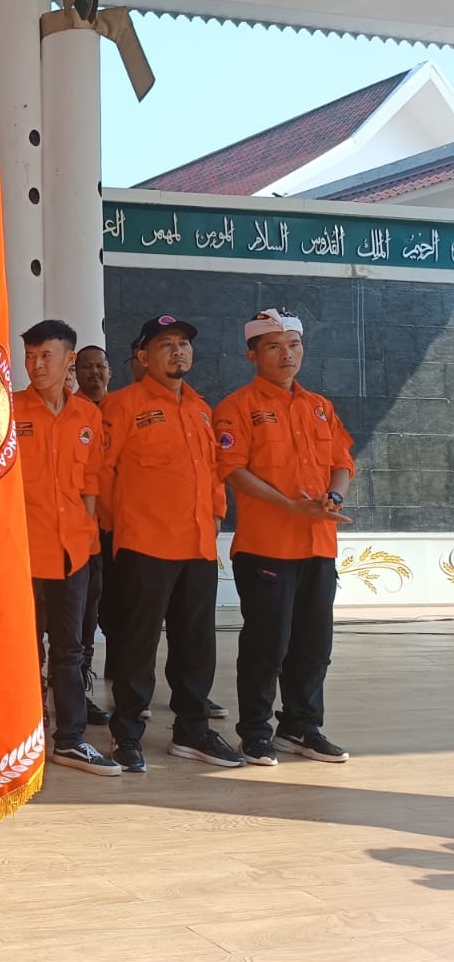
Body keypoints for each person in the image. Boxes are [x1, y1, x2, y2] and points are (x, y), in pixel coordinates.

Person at [213, 309, 355, 766]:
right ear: (252, 354)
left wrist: (334, 495)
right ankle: (255, 731)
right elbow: (232, 470)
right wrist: (290, 505)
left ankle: (301, 726)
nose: (286, 353)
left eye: (293, 344)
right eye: (273, 346)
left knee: (314, 645)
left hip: (318, 543)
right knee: (266, 645)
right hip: (266, 546)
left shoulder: (319, 405)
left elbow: (342, 461)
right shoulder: (237, 407)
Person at [100, 315, 239, 774]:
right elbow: (100, 473)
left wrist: (217, 515)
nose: (178, 352)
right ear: (142, 356)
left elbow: (213, 471)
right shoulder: (122, 405)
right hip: (145, 544)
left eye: (183, 344)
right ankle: (127, 735)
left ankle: (192, 731)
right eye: (165, 345)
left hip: (198, 545)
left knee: (196, 644)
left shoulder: (201, 408)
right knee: (136, 645)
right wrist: (117, 526)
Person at [14, 320, 118, 777]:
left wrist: (89, 534)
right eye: (30, 356)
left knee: (70, 649)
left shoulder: (87, 417)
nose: (37, 365)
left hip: (74, 550)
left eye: (46, 356)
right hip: (22, 552)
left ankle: (70, 740)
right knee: (23, 648)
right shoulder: (9, 411)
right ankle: (24, 732)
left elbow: (91, 481)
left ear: (68, 361)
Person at [72, 343, 113, 725]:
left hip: (121, 531)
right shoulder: (70, 415)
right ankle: (71, 695)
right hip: (80, 534)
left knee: (114, 615)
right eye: (87, 367)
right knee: (78, 620)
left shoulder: (121, 411)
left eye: (101, 366)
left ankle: (111, 682)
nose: (95, 373)